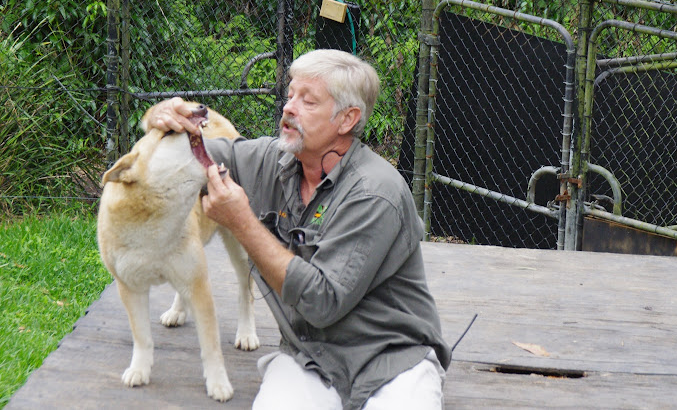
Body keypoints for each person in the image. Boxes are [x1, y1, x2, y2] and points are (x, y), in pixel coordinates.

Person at [148, 49, 451, 410]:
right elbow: (185, 157)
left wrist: (243, 223)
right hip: (308, 358)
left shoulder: (375, 192)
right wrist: (160, 117)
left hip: (391, 362)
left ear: (347, 119)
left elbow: (322, 302)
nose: (289, 107)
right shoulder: (270, 160)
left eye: (308, 100)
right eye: (290, 94)